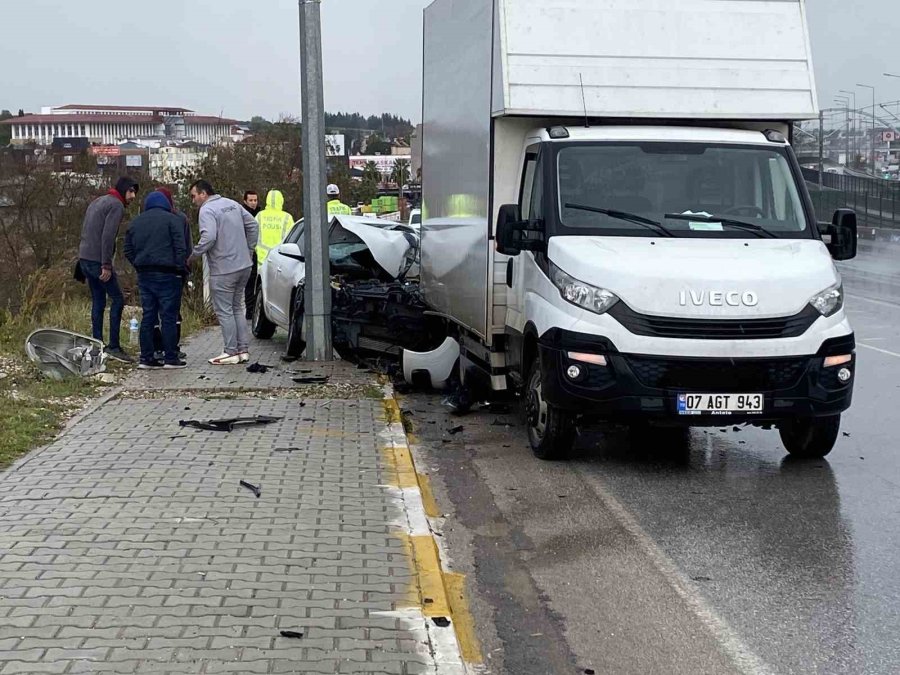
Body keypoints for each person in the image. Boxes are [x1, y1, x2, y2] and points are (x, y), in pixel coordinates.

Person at [187, 179, 259, 365]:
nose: (193, 200)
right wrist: (249, 250)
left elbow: (209, 236)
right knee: (237, 307)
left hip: (223, 268)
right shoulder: (232, 204)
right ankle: (243, 350)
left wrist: (193, 254)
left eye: (194, 196)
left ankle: (230, 351)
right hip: (244, 266)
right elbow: (253, 225)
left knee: (225, 310)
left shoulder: (207, 210)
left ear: (203, 194)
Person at [124, 192, 189, 370]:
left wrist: (138, 264)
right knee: (168, 317)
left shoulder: (136, 222)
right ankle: (170, 358)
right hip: (169, 274)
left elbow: (127, 249)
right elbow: (181, 247)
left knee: (148, 316)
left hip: (145, 274)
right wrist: (178, 268)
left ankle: (146, 358)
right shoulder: (172, 220)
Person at [78, 176, 139, 362]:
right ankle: (114, 346)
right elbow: (108, 236)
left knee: (98, 300)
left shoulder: (98, 201)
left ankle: (97, 344)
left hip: (85, 258)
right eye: (130, 191)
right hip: (97, 261)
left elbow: (87, 230)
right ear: (122, 190)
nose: (133, 196)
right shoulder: (116, 206)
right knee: (118, 300)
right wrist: (106, 265)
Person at [152, 187, 191, 361]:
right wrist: (184, 267)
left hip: (153, 270)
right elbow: (185, 245)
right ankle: (172, 348)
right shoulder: (180, 218)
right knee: (172, 311)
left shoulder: (147, 218)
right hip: (175, 271)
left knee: (154, 310)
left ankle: (157, 347)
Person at [241, 190, 260, 317]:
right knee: (249, 282)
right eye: (251, 200)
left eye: (255, 200)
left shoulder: (261, 214)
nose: (253, 203)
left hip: (261, 254)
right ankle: (250, 310)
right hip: (248, 252)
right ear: (245, 201)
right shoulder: (241, 214)